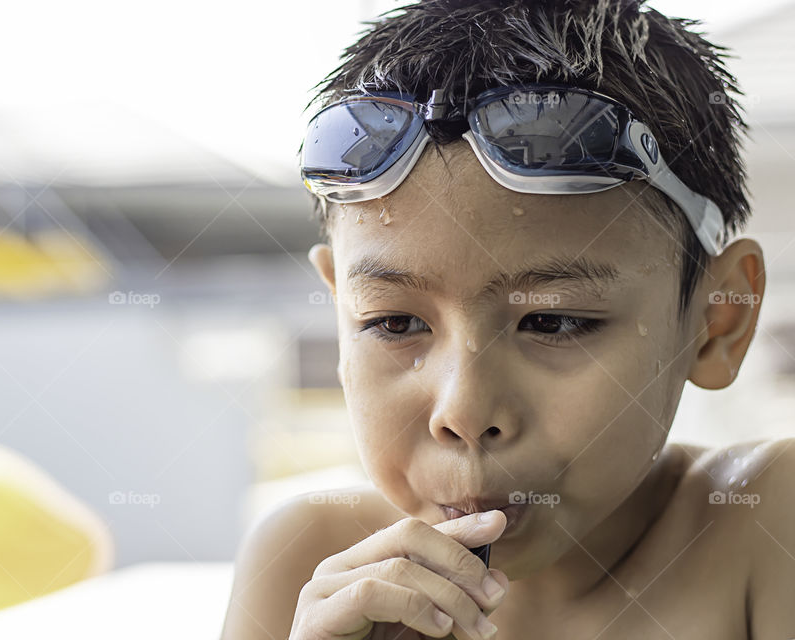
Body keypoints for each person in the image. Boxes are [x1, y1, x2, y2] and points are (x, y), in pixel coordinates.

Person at [221, 1, 789, 638]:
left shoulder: (764, 524)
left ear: (717, 321)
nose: (463, 413)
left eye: (552, 322)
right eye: (393, 324)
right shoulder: (304, 564)